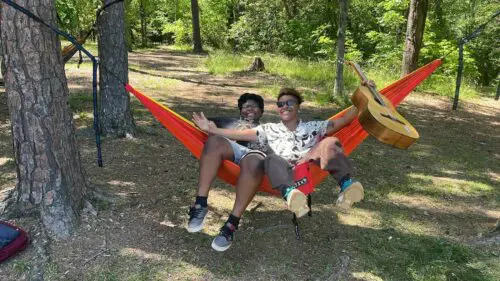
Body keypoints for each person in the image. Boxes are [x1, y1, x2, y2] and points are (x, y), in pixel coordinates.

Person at [193, 87, 364, 220]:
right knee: (270, 159)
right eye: (280, 104)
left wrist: (363, 97)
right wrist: (212, 129)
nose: (284, 107)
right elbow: (237, 135)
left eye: (289, 103)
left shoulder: (314, 126)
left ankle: (347, 184)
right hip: (283, 170)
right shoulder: (268, 129)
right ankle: (291, 195)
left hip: (307, 165)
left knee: (330, 142)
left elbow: (345, 119)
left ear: (298, 107)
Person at [187, 92, 268, 252]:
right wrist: (205, 126)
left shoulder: (268, 128)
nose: (250, 109)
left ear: (261, 112)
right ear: (240, 110)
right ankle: (200, 205)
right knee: (214, 141)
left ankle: (232, 223)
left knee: (254, 162)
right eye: (246, 106)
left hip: (256, 156)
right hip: (231, 152)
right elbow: (205, 123)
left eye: (254, 106)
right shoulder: (228, 121)